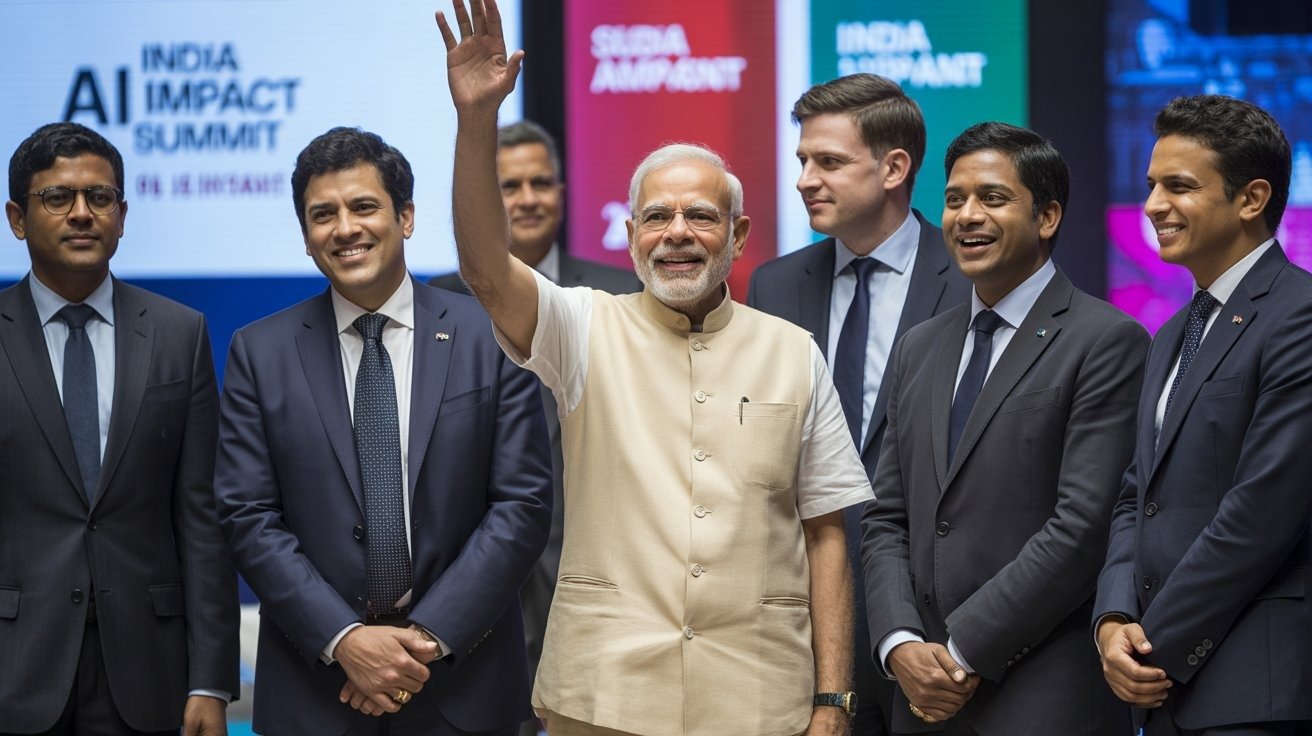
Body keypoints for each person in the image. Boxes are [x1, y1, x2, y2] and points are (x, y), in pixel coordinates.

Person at [437, 1, 872, 734]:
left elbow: (826, 534)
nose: (677, 233)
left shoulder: (793, 350)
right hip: (607, 694)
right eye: (656, 217)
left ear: (738, 235)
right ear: (629, 232)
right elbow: (485, 269)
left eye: (700, 216)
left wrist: (833, 700)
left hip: (758, 697)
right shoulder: (583, 326)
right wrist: (477, 118)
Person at [213, 126, 552, 736]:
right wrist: (345, 640)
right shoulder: (260, 352)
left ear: (407, 217)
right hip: (318, 695)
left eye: (364, 206)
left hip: (463, 688)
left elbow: (521, 504)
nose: (345, 228)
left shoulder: (491, 334)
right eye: (323, 215)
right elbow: (248, 515)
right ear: (306, 236)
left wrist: (420, 643)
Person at [861, 122, 1145, 734]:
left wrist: (961, 651)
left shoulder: (1106, 340)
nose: (967, 216)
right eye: (955, 199)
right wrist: (899, 641)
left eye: (992, 198)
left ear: (1047, 217)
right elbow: (887, 517)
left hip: (1042, 691)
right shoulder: (919, 346)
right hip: (920, 695)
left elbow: (1083, 526)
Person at [747, 73, 970, 736]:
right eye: (802, 161)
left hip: (937, 629)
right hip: (800, 622)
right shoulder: (774, 285)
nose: (804, 180)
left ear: (894, 168)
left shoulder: (971, 277)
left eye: (828, 162)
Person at [0, 122, 239, 735]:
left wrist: (210, 680)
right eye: (58, 197)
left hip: (147, 671)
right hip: (14, 667)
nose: (82, 213)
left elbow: (202, 520)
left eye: (100, 197)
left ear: (122, 215)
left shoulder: (178, 333)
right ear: (17, 219)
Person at [1094, 95, 1312, 735]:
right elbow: (1136, 496)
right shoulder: (1170, 335)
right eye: (1151, 185)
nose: (1153, 205)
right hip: (1162, 688)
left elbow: (1262, 514)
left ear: (1252, 199)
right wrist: (1112, 621)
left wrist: (1151, 644)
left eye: (1179, 186)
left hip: (1251, 691)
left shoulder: (1299, 314)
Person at [431, 121, 639, 736]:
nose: (527, 198)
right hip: (473, 565)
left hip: (598, 561)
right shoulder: (439, 306)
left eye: (540, 183)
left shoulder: (623, 293)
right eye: (509, 185)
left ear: (563, 193)